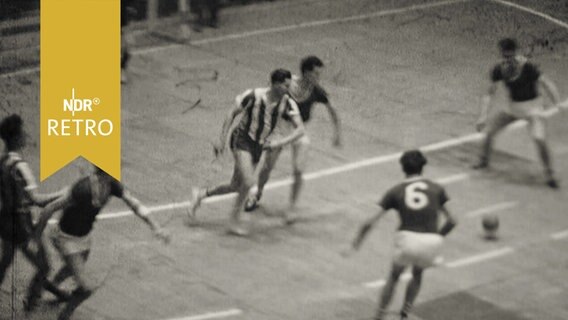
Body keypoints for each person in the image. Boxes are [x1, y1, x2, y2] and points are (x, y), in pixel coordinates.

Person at [34, 166, 170, 320]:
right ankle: (64, 316)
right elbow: (49, 208)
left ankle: (52, 285)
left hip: (83, 237)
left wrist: (155, 226)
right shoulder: (83, 189)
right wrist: (37, 237)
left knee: (74, 267)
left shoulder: (112, 185)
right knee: (85, 289)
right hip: (66, 238)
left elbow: (135, 204)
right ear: (105, 172)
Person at [187, 68, 305, 236]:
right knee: (249, 182)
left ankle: (200, 194)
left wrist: (280, 142)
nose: (288, 89)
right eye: (285, 85)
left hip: (258, 145)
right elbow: (231, 114)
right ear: (275, 84)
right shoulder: (254, 96)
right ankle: (234, 220)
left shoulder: (287, 103)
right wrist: (222, 139)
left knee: (236, 185)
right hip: (242, 139)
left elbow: (300, 129)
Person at [349, 150, 456, 320]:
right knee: (418, 273)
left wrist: (356, 243)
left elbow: (370, 221)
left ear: (403, 168)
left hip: (408, 239)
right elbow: (452, 221)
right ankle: (405, 313)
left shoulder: (395, 191)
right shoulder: (437, 188)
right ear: (423, 167)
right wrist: (437, 237)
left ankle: (380, 314)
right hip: (432, 240)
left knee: (394, 276)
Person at [245, 56, 341, 221]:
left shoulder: (317, 90)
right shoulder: (288, 84)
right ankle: (257, 193)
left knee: (298, 170)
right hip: (280, 128)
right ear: (306, 73)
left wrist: (337, 133)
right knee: (268, 166)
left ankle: (292, 207)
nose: (319, 78)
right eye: (316, 74)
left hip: (299, 130)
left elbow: (332, 109)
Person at [0, 114, 69, 311]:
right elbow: (37, 200)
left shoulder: (2, 162)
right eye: (22, 132)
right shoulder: (21, 167)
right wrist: (61, 194)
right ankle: (30, 304)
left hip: (5, 221)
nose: (25, 135)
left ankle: (54, 292)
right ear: (16, 138)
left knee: (5, 261)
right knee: (45, 265)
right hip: (21, 226)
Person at [473, 37, 562, 188]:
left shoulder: (528, 67)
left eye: (510, 56)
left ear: (515, 52)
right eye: (505, 56)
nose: (508, 60)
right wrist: (482, 116)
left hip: (533, 109)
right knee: (489, 131)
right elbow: (489, 93)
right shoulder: (499, 69)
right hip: (513, 108)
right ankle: (483, 161)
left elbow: (546, 83)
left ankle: (549, 174)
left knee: (539, 140)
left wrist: (557, 103)